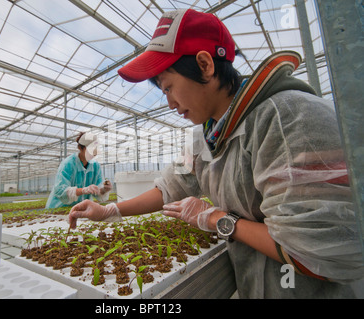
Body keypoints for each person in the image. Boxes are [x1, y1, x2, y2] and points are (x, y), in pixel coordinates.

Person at [68, 9, 364, 298]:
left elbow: (317, 253)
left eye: (169, 87)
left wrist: (218, 220)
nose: (170, 102)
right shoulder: (205, 137)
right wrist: (110, 210)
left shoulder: (287, 117)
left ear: (205, 64)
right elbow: (169, 188)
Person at [46, 132, 112, 209]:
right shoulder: (68, 164)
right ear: (80, 148)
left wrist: (104, 189)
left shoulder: (95, 166)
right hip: (58, 208)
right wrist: (83, 190)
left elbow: (98, 189)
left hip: (80, 209)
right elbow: (60, 191)